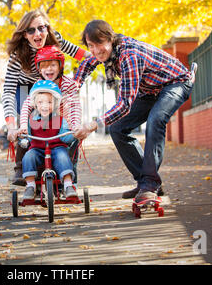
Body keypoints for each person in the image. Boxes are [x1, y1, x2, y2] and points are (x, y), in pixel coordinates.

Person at [73, 20, 196, 203]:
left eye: (99, 44)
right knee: (117, 129)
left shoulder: (129, 56)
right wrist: (72, 87)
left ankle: (149, 185)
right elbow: (86, 64)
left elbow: (124, 104)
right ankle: (145, 181)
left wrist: (93, 125)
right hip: (150, 90)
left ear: (110, 39)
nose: (96, 50)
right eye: (91, 45)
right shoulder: (105, 53)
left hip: (176, 83)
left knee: (155, 120)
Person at [3, 9, 90, 186]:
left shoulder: (54, 40)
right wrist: (11, 126)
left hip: (54, 86)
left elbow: (81, 54)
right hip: (26, 88)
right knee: (28, 120)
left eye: (41, 28)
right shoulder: (18, 56)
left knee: (62, 122)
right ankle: (22, 167)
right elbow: (9, 92)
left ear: (47, 29)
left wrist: (94, 61)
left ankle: (65, 167)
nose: (38, 33)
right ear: (24, 34)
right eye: (31, 30)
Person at [19, 80, 77, 201]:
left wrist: (73, 134)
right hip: (37, 148)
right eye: (40, 102)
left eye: (49, 102)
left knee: (63, 156)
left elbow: (65, 137)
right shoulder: (31, 119)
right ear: (35, 104)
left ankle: (67, 185)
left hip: (56, 147)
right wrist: (22, 137)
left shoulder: (60, 119)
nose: (45, 106)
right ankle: (30, 186)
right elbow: (26, 135)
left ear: (55, 103)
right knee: (28, 156)